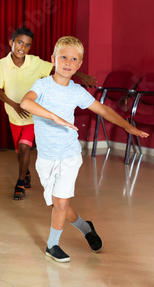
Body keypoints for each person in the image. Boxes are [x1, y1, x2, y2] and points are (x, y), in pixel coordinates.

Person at [20, 36, 149, 263]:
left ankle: (52, 245)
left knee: (60, 203)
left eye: (74, 59)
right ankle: (85, 226)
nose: (68, 62)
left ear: (79, 65)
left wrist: (128, 126)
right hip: (46, 157)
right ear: (53, 59)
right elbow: (25, 103)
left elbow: (104, 110)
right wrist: (54, 117)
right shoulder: (42, 85)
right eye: (63, 57)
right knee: (60, 204)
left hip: (69, 154)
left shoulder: (77, 91)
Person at [0, 27, 96, 200]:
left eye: (27, 45)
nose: (22, 48)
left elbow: (61, 67)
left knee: (26, 147)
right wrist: (16, 106)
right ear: (11, 43)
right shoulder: (2, 64)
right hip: (14, 114)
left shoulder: (35, 62)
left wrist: (82, 76)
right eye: (19, 43)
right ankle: (25, 173)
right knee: (20, 152)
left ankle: (19, 184)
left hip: (33, 115)